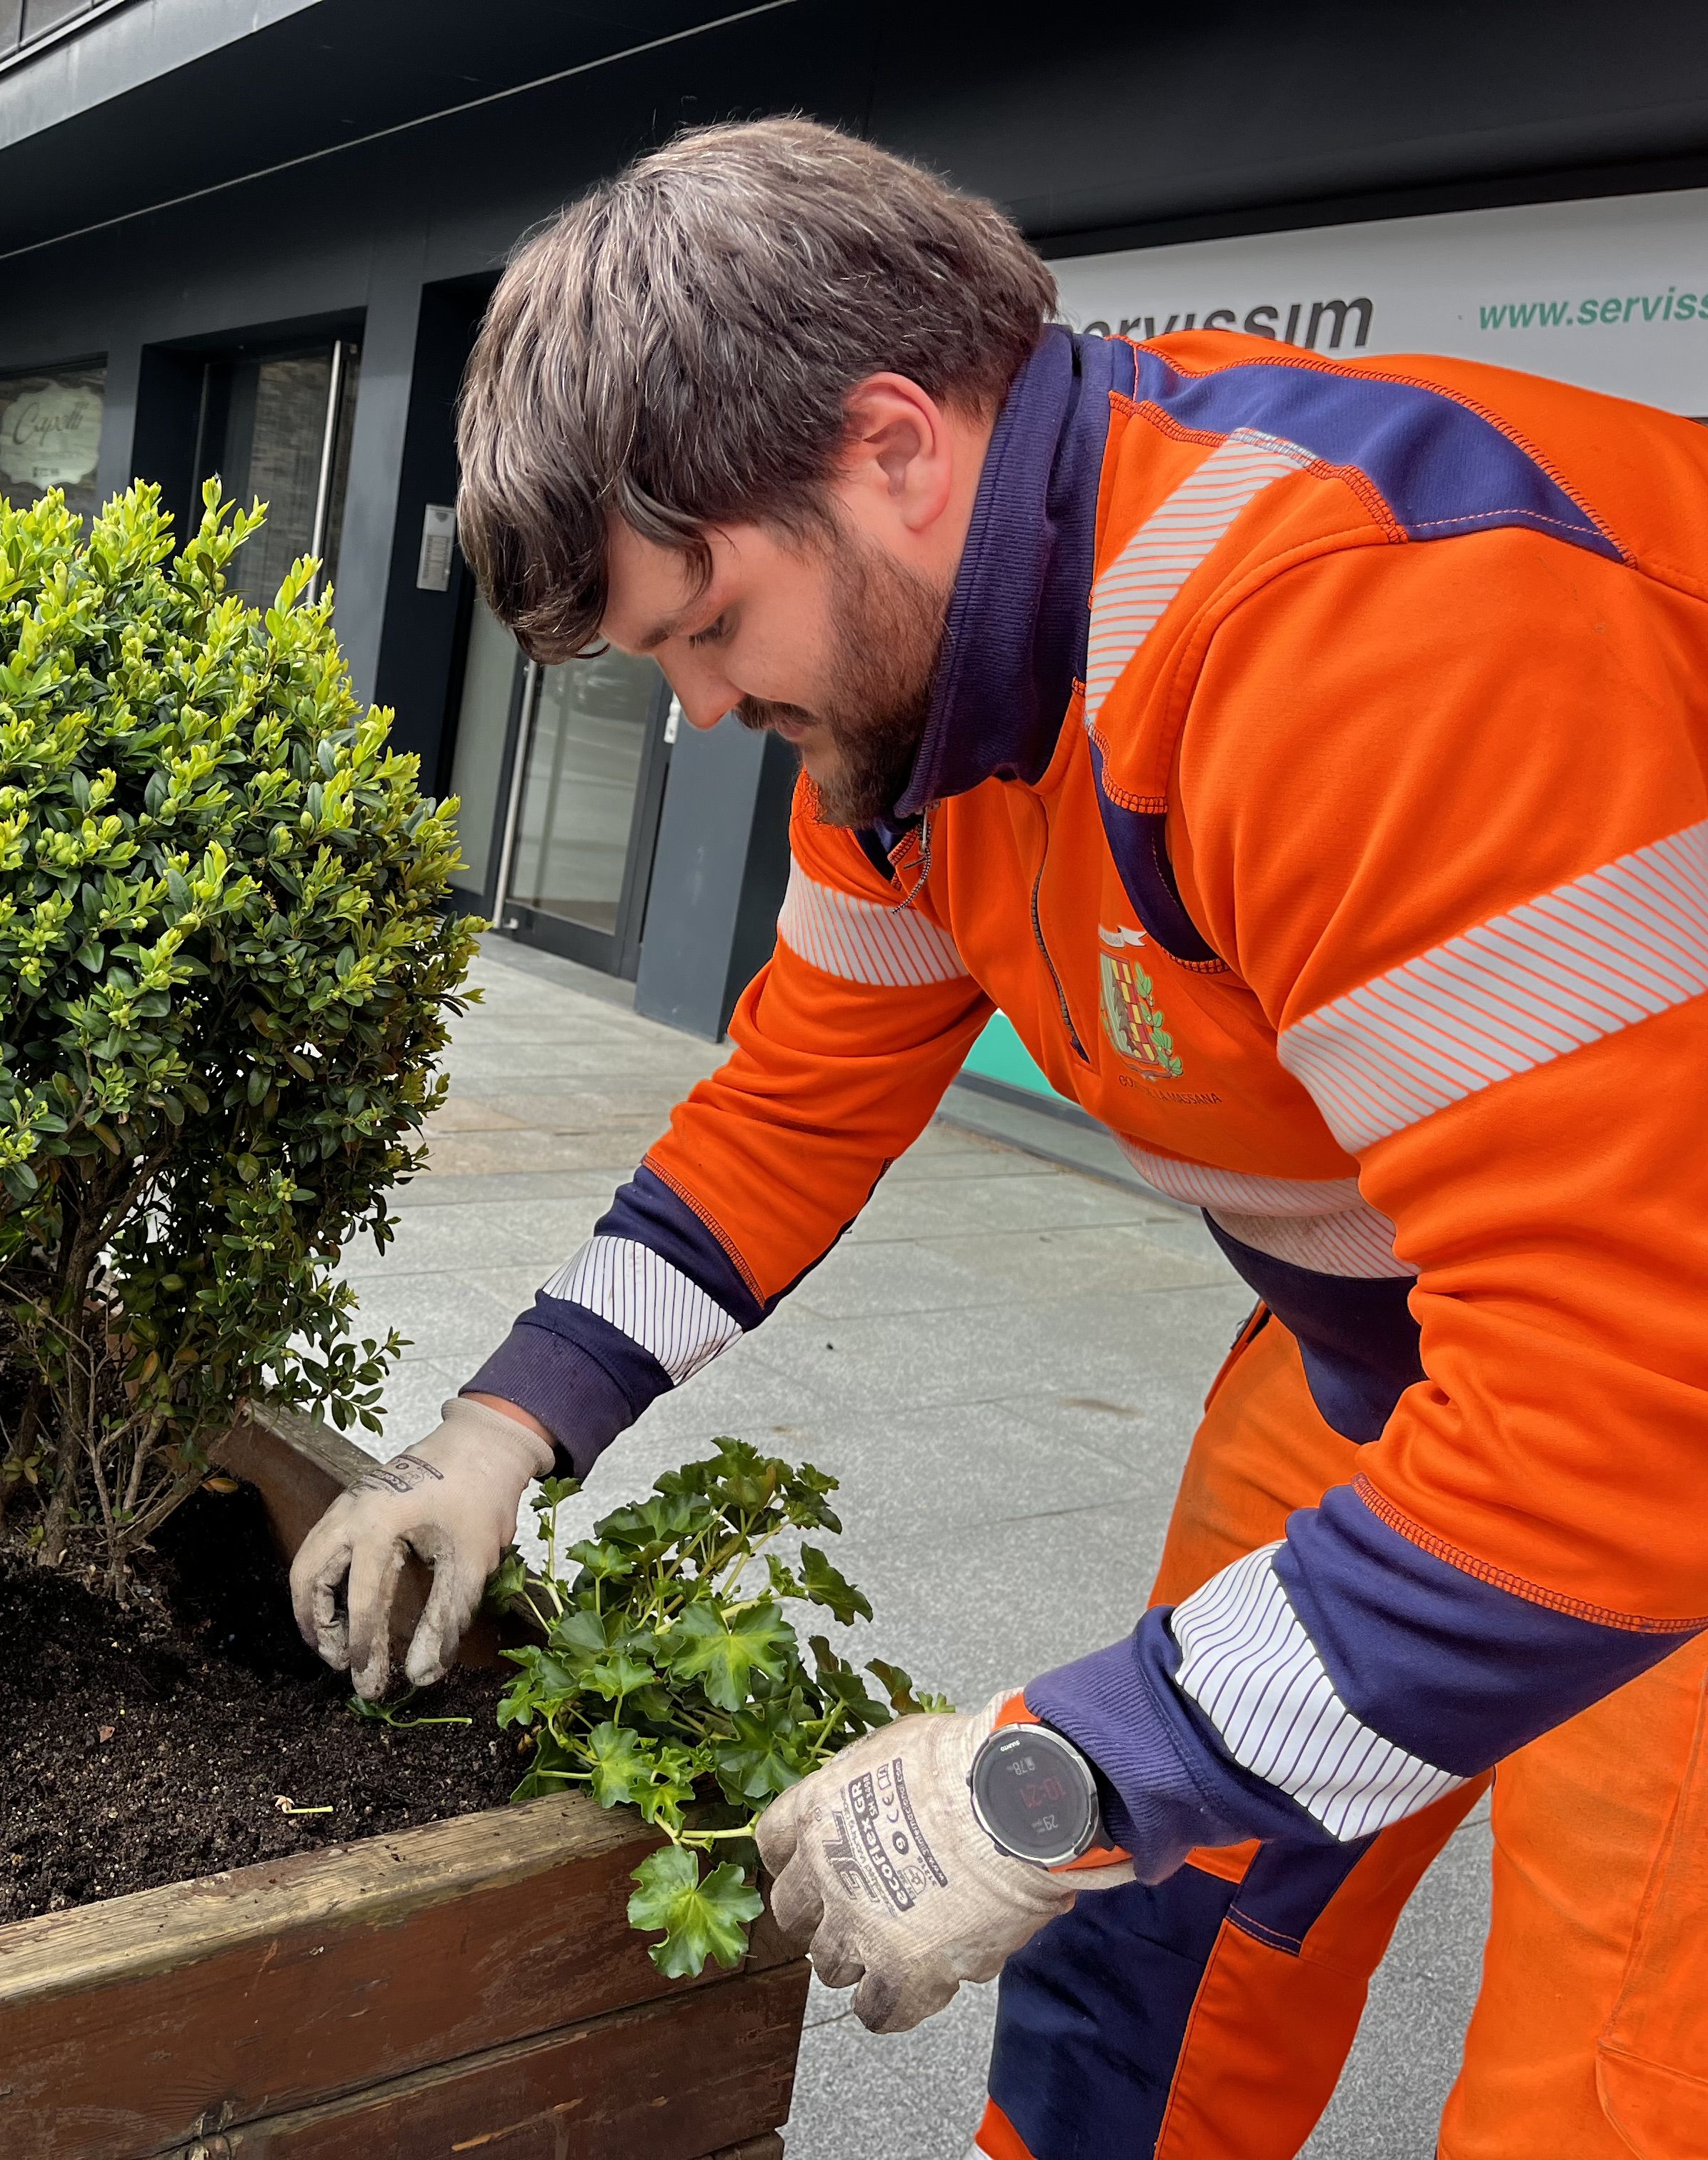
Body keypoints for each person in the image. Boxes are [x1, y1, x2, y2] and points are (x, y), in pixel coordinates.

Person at [289, 117, 1708, 2158]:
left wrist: (1051, 1779)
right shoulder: (906, 723)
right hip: (1403, 1336)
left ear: (891, 447)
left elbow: (1630, 1413)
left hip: (1661, 1390)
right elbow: (791, 1107)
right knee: (1146, 1944)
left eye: (702, 627)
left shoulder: (1375, 642)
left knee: (1603, 2093)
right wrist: (494, 1435)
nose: (692, 709)